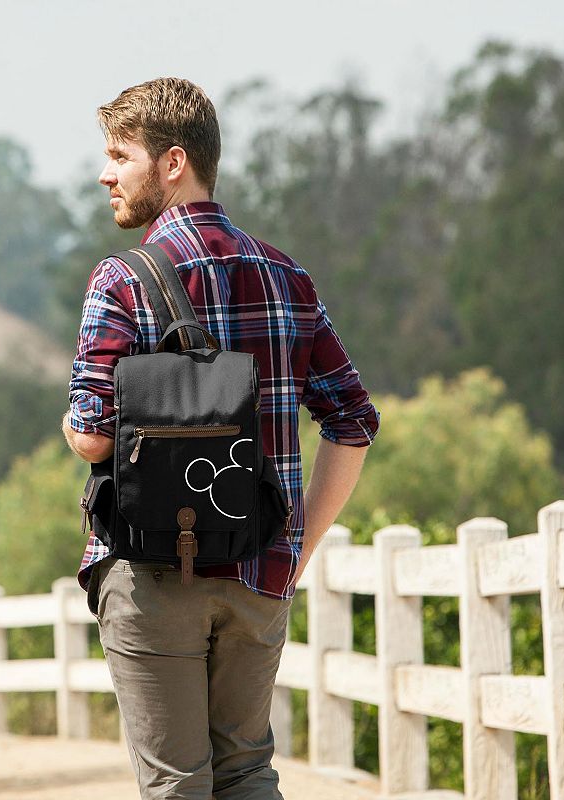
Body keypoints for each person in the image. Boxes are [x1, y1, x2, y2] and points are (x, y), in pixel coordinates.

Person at [61, 77, 380, 800]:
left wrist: (76, 424)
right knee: (248, 774)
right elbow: (354, 421)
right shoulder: (286, 276)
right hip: (260, 568)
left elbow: (90, 438)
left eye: (120, 155)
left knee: (177, 784)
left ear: (172, 162)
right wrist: (296, 545)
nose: (105, 174)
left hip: (150, 573)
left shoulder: (123, 279)